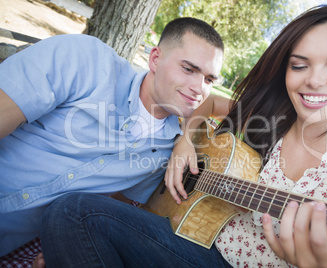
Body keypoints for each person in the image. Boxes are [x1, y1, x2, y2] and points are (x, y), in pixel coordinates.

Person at [41, 5, 327, 268]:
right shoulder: (276, 116)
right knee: (73, 212)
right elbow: (209, 101)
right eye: (299, 64)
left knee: (74, 217)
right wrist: (185, 141)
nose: (314, 80)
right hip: (193, 237)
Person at [0, 17, 227, 258]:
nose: (199, 88)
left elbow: (110, 212)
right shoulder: (86, 61)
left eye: (209, 80)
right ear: (155, 59)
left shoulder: (164, 154)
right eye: (189, 69)